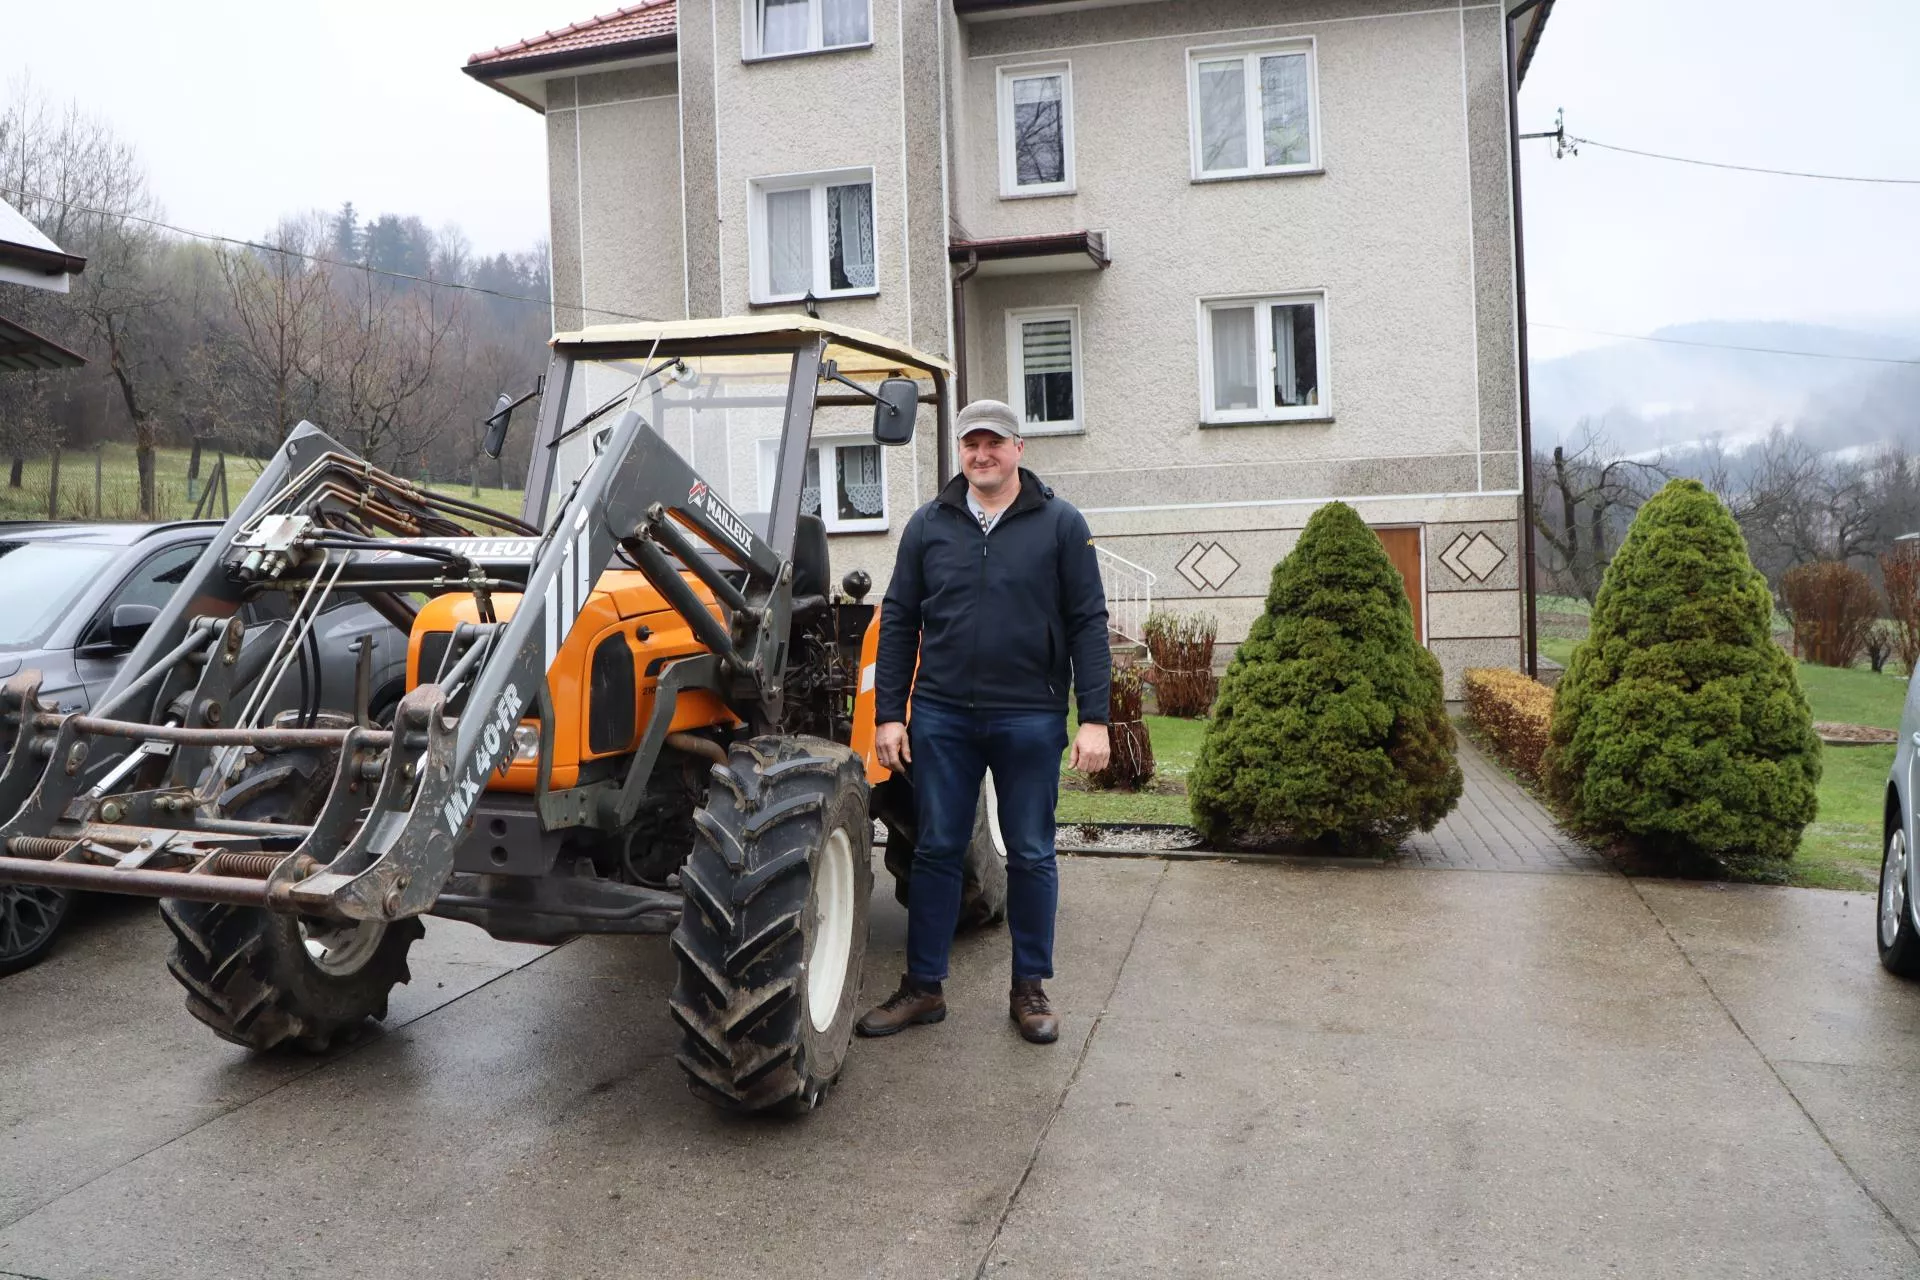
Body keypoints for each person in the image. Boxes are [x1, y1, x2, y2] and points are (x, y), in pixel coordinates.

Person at [856, 398, 1111, 1045]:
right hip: (942, 716)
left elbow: (1087, 622)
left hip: (1029, 716)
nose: (982, 453)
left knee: (1030, 852)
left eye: (994, 442)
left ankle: (1029, 989)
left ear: (1018, 448)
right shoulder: (928, 526)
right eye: (971, 443)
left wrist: (1096, 719)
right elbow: (899, 623)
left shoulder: (1059, 525)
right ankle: (923, 988)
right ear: (960, 452)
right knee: (937, 849)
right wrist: (891, 714)